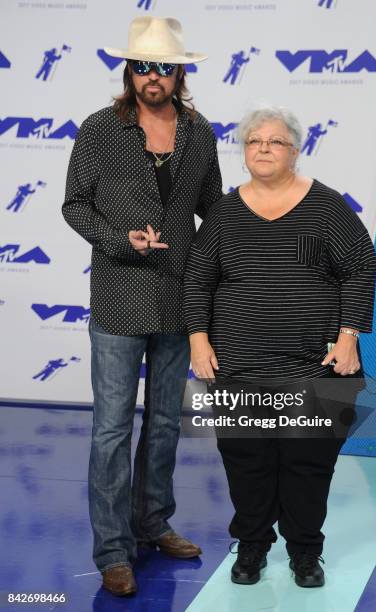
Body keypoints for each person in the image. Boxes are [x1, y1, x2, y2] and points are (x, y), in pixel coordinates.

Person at [184, 106, 376, 587]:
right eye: (254, 141)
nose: (263, 149)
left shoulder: (328, 207)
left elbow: (360, 266)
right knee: (247, 462)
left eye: (275, 142)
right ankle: (251, 547)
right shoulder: (224, 213)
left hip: (318, 364)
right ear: (244, 152)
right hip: (239, 364)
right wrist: (198, 339)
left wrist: (350, 334)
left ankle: (306, 551)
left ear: (296, 151)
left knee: (307, 464)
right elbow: (197, 281)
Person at [62, 16, 222, 596]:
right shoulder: (100, 128)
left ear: (180, 73)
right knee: (110, 430)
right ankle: (112, 550)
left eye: (164, 67)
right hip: (118, 295)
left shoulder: (199, 132)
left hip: (178, 298)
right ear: (128, 70)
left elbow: (214, 214)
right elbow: (74, 206)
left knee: (164, 426)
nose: (153, 77)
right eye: (143, 66)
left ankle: (152, 523)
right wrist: (118, 238)